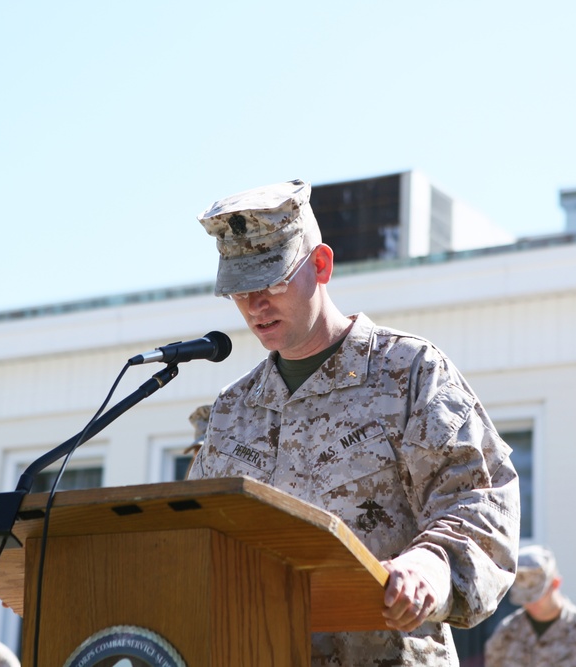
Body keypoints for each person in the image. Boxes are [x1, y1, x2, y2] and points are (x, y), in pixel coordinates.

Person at [187, 179, 521, 666]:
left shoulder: (408, 372)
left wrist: (429, 565)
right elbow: (199, 542)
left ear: (320, 265)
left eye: (272, 280)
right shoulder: (233, 409)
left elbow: (479, 496)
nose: (255, 305)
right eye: (239, 290)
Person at [484, 545, 576, 667]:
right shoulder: (505, 635)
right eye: (524, 597)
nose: (530, 603)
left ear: (556, 583)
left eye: (536, 595)